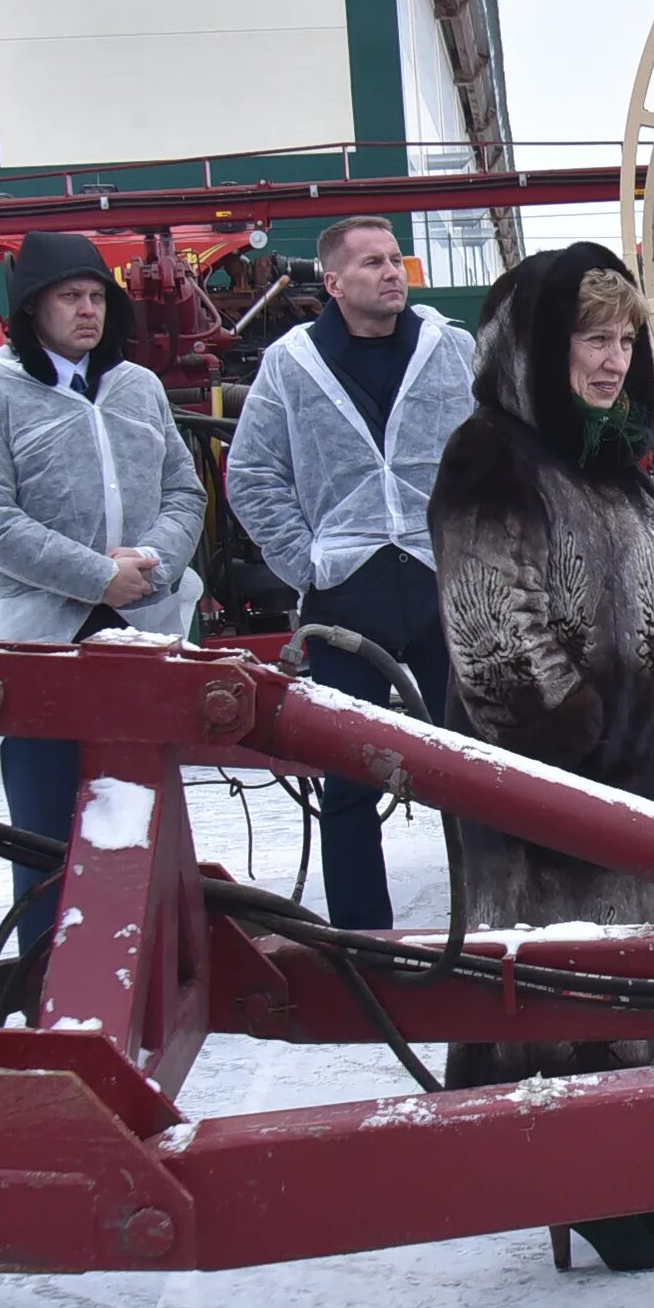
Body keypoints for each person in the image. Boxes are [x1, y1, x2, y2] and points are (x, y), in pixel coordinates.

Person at [429, 243, 654, 1273]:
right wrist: (590, 742)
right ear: (536, 351)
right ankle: (579, 1177)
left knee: (638, 987)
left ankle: (627, 1169)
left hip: (650, 783)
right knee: (569, 992)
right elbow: (495, 639)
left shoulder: (605, 459)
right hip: (570, 800)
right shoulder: (493, 457)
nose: (613, 359)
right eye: (592, 338)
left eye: (625, 337)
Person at [0, 232, 205, 964]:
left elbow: (185, 489)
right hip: (36, 641)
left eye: (96, 298)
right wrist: (94, 575)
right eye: (69, 298)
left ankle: (149, 964)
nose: (87, 312)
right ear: (32, 309)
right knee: (49, 827)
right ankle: (52, 980)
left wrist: (153, 558)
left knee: (142, 805)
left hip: (140, 623)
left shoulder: (137, 388)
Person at [226, 214, 477, 929]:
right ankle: (365, 940)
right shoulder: (290, 363)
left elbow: (492, 450)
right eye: (371, 263)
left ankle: (488, 921)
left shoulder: (449, 349)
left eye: (395, 259)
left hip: (442, 581)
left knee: (481, 769)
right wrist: (307, 562)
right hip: (346, 589)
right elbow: (252, 473)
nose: (390, 272)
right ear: (333, 283)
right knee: (347, 781)